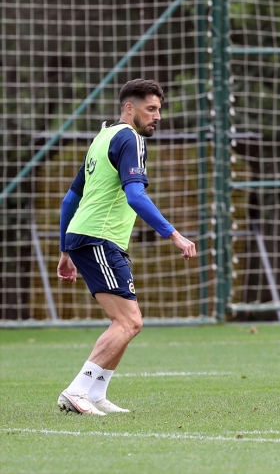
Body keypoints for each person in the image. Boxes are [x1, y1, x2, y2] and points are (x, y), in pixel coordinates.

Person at [56, 79, 196, 415]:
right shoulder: (130, 138)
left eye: (159, 109)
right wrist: (174, 235)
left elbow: (69, 199)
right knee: (128, 322)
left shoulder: (102, 137)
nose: (157, 116)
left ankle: (95, 393)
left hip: (89, 238)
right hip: (98, 237)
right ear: (129, 108)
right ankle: (77, 391)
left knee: (129, 321)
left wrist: (65, 250)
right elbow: (135, 195)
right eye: (151, 108)